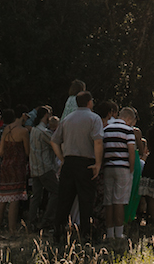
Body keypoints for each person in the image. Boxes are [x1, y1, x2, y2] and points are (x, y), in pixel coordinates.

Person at [50, 90, 104, 243]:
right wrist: (98, 163)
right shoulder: (94, 118)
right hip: (86, 162)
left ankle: (58, 233)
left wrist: (62, 158)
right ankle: (86, 233)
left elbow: (54, 141)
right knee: (86, 199)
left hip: (69, 163)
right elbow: (98, 141)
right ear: (89, 102)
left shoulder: (67, 119)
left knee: (64, 199)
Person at [100, 100, 136, 241]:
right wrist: (131, 169)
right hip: (123, 168)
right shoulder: (128, 130)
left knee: (108, 201)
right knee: (119, 201)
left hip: (108, 167)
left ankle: (109, 233)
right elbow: (131, 152)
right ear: (128, 118)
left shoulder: (106, 129)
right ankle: (119, 233)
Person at [0, 108, 30, 236]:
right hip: (17, 165)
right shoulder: (23, 131)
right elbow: (27, 151)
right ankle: (12, 230)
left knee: (2, 198)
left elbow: (1, 151)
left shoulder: (6, 129)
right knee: (15, 198)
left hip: (5, 165)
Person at [28, 106, 58, 231]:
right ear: (45, 116)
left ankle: (31, 222)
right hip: (45, 168)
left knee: (36, 196)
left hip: (34, 168)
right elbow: (54, 143)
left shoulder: (34, 130)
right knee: (57, 192)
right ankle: (47, 221)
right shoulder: (43, 132)